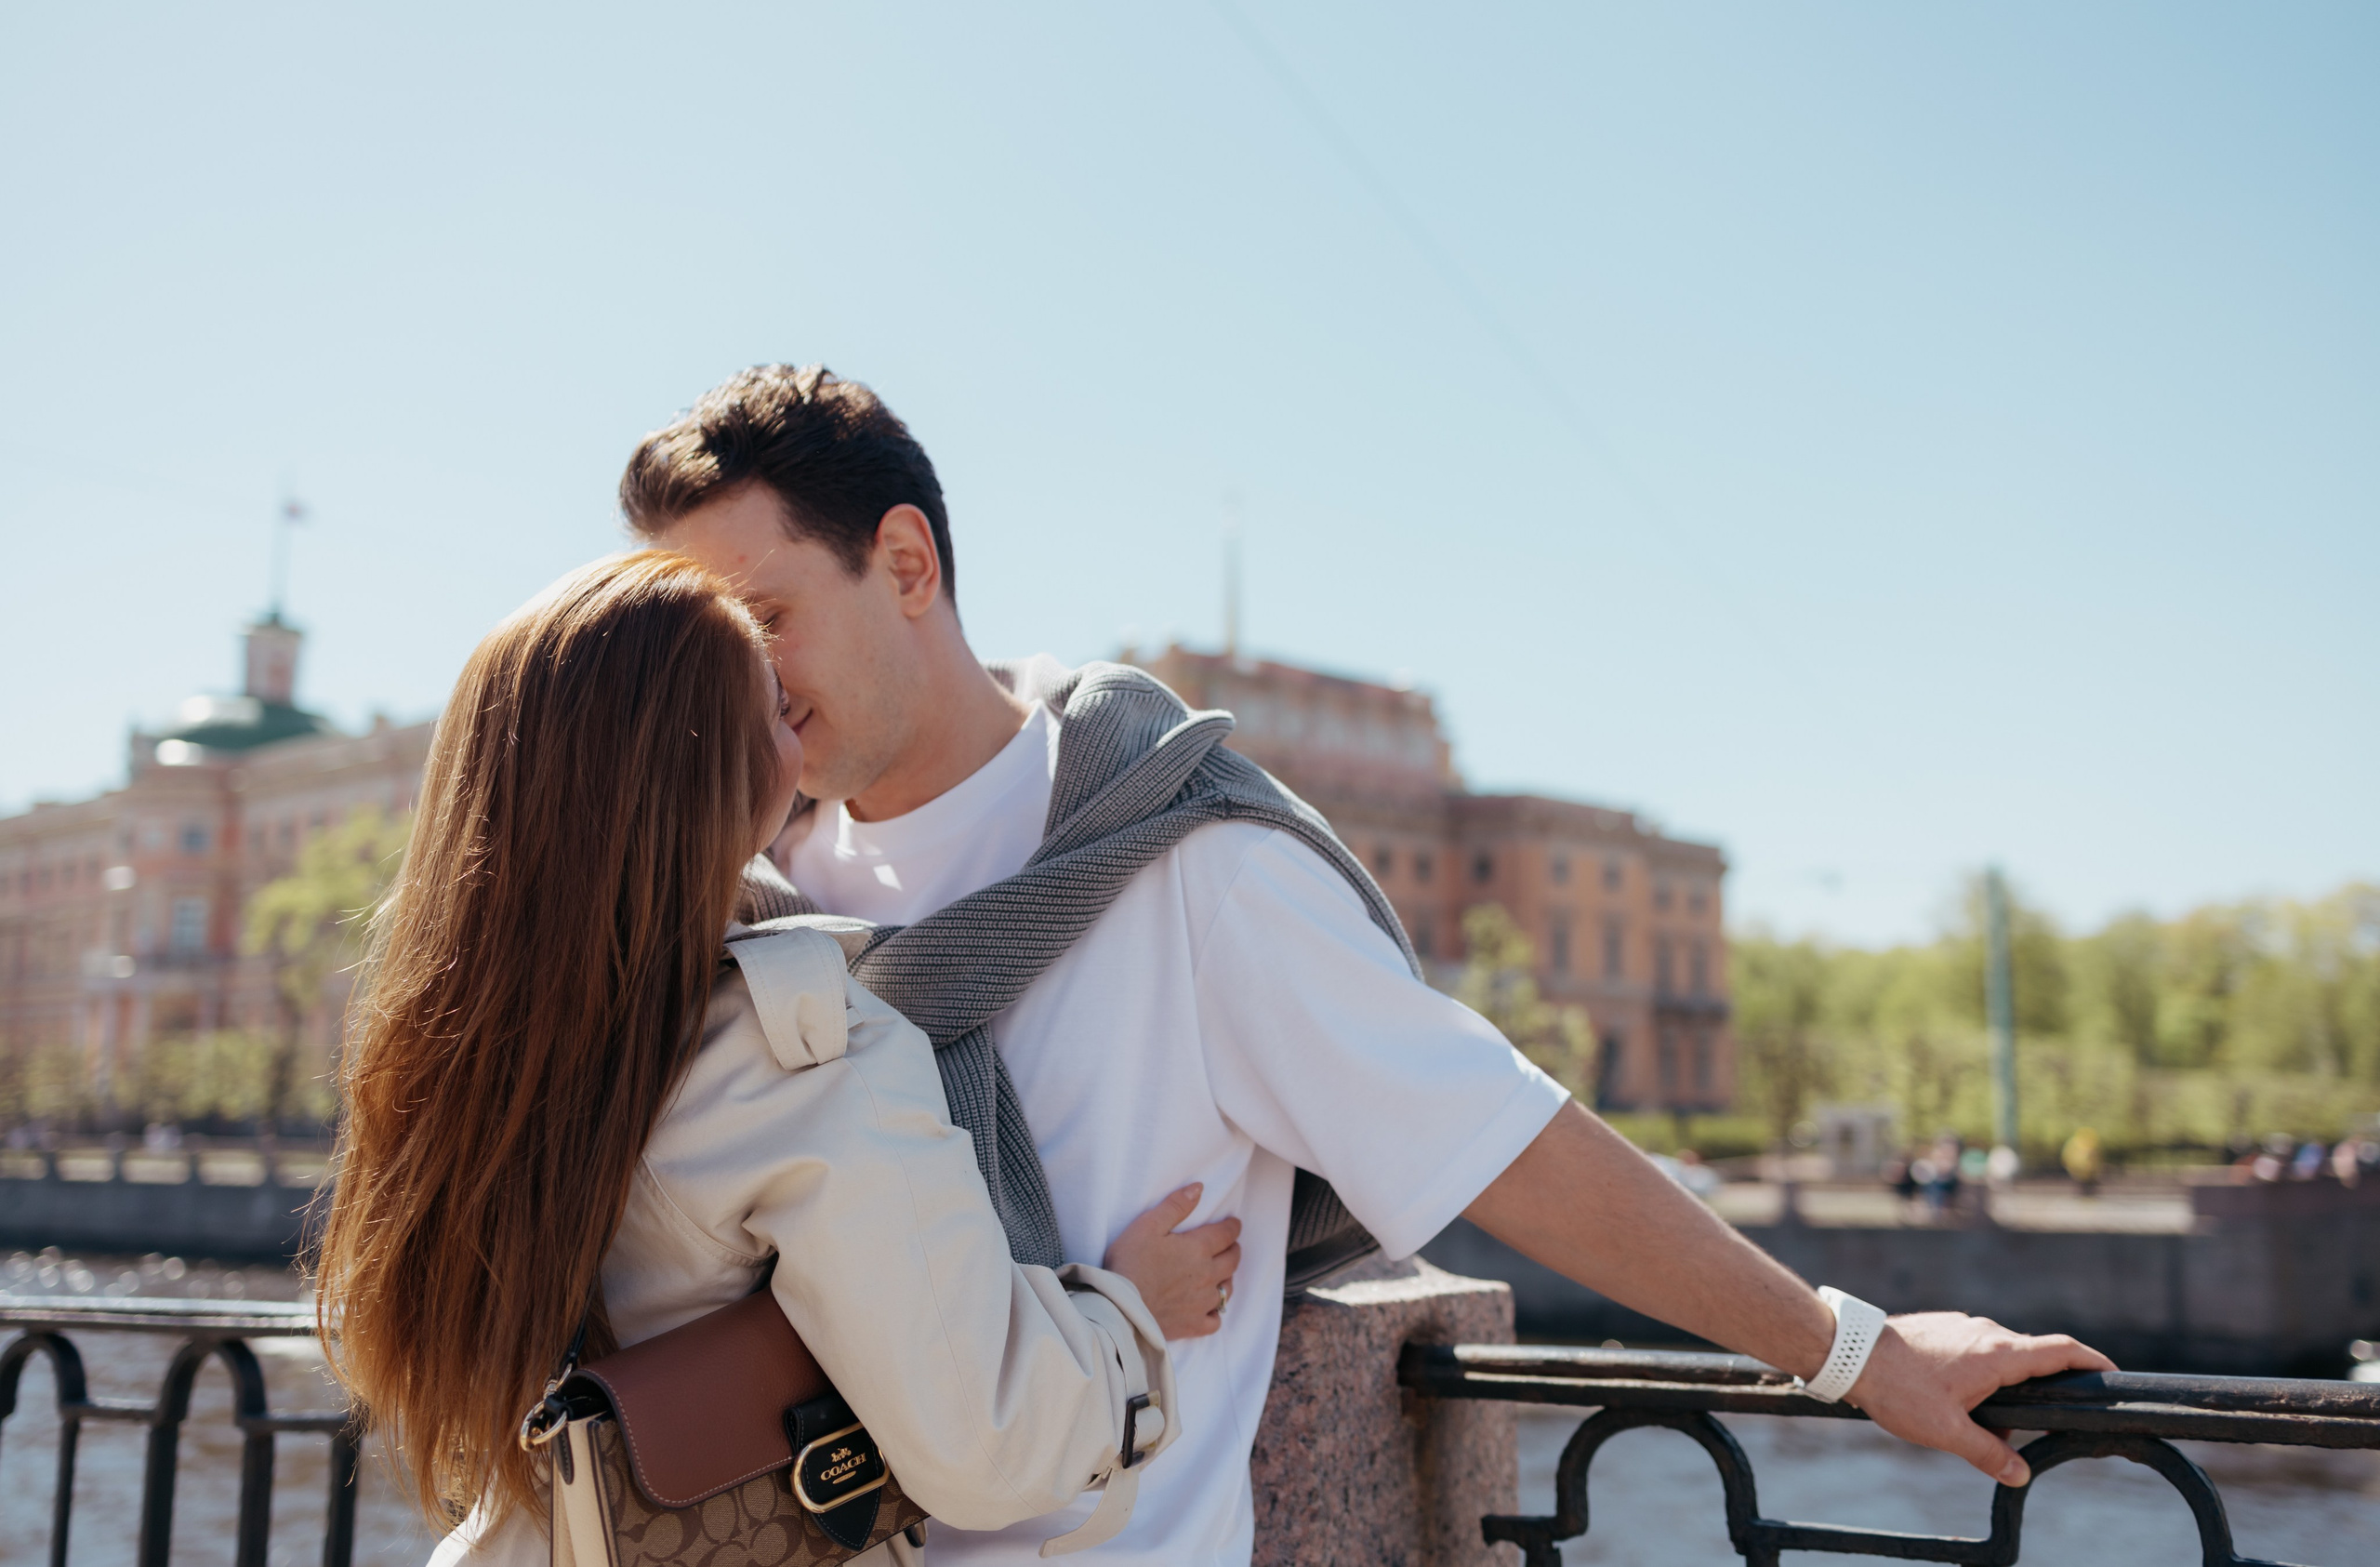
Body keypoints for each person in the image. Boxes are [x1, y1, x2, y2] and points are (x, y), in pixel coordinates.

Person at [625, 365, 2116, 1565]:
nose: (736, 682)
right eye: (699, 638)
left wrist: (1852, 1350)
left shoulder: (1191, 864)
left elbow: (1500, 1136)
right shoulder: (738, 897)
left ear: (905, 562)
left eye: (766, 619)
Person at [312, 552, 1243, 1565]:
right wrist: (1126, 1314)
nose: (795, 725)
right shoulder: (794, 1055)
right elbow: (988, 1442)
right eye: (771, 709)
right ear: (719, 774)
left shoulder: (460, 1051)